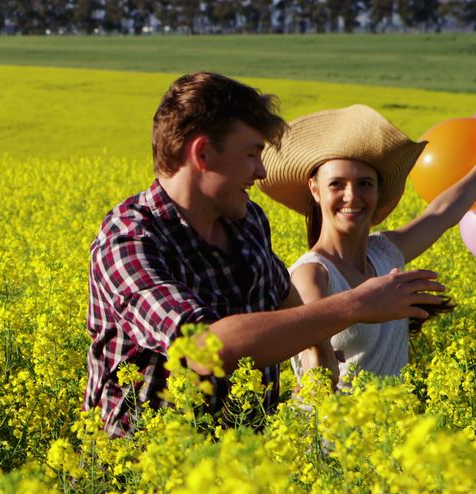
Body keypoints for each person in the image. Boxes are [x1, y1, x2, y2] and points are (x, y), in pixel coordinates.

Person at [84, 73, 447, 437]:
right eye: (252, 154)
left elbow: (284, 295)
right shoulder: (129, 240)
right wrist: (357, 304)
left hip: (247, 465)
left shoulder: (247, 221)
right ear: (203, 153)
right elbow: (203, 347)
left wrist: (320, 354)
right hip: (142, 471)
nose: (261, 171)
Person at [258, 105, 476, 390]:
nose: (352, 196)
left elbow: (442, 213)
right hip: (334, 430)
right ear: (315, 189)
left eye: (364, 184)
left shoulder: (384, 253)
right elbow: (316, 360)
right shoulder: (312, 275)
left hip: (390, 429)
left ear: (377, 192)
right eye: (337, 184)